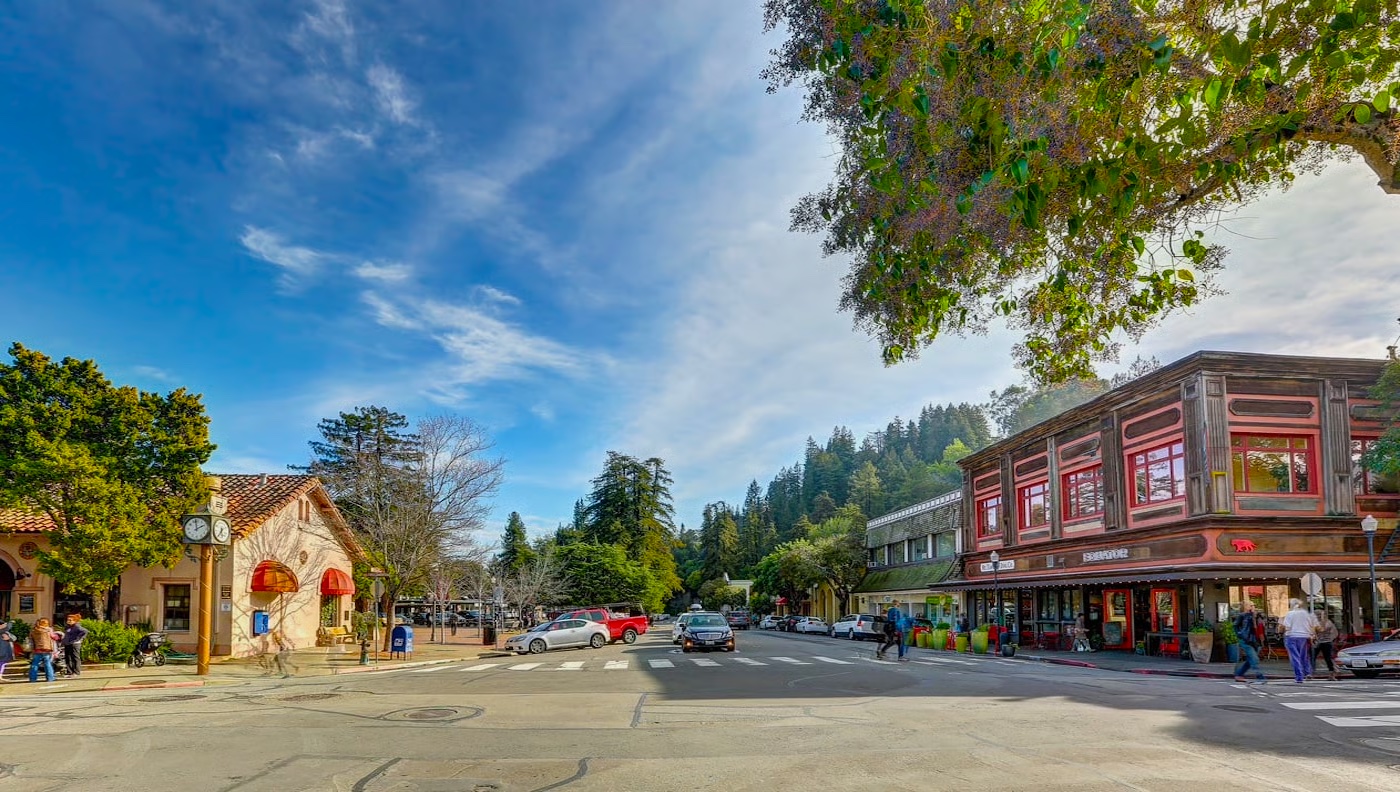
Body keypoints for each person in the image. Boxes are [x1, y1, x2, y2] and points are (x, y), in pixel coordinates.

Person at [1279, 598, 1318, 684]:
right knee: (1304, 655)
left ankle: (1299, 676)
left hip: (1292, 636)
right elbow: (1311, 626)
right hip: (1303, 637)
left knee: (1295, 656)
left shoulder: (1290, 614)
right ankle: (1308, 672)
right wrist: (1312, 635)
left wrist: (1281, 630)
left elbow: (1287, 626)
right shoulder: (1306, 614)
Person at [1231, 602, 1267, 684]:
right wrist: (1240, 634)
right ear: (1245, 607)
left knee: (1250, 659)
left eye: (1253, 605)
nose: (1253, 607)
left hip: (1255, 640)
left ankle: (1239, 674)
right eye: (1250, 605)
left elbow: (1260, 627)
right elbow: (1235, 626)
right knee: (1254, 658)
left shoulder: (1257, 616)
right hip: (1246, 640)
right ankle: (1259, 676)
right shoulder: (1243, 616)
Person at [28, 617, 60, 683]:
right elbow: (55, 637)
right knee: (47, 663)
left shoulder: (33, 630)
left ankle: (32, 679)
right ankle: (50, 678)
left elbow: (30, 639)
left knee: (34, 664)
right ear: (46, 624)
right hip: (47, 649)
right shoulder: (48, 630)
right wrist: (57, 636)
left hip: (37, 649)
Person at [1312, 610, 1339, 681]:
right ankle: (1310, 672)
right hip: (1321, 642)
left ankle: (1332, 673)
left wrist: (1330, 639)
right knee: (1313, 657)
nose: (1317, 616)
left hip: (1325, 642)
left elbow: (1322, 630)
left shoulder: (1327, 622)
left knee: (1327, 658)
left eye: (1318, 615)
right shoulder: (1325, 622)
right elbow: (1335, 633)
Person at [61, 613, 88, 678]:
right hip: (67, 644)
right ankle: (69, 672)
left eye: (70, 620)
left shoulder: (77, 627)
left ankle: (76, 672)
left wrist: (78, 639)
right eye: (68, 620)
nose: (68, 621)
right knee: (68, 658)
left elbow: (85, 631)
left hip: (74, 644)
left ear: (75, 621)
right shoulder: (68, 627)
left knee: (75, 658)